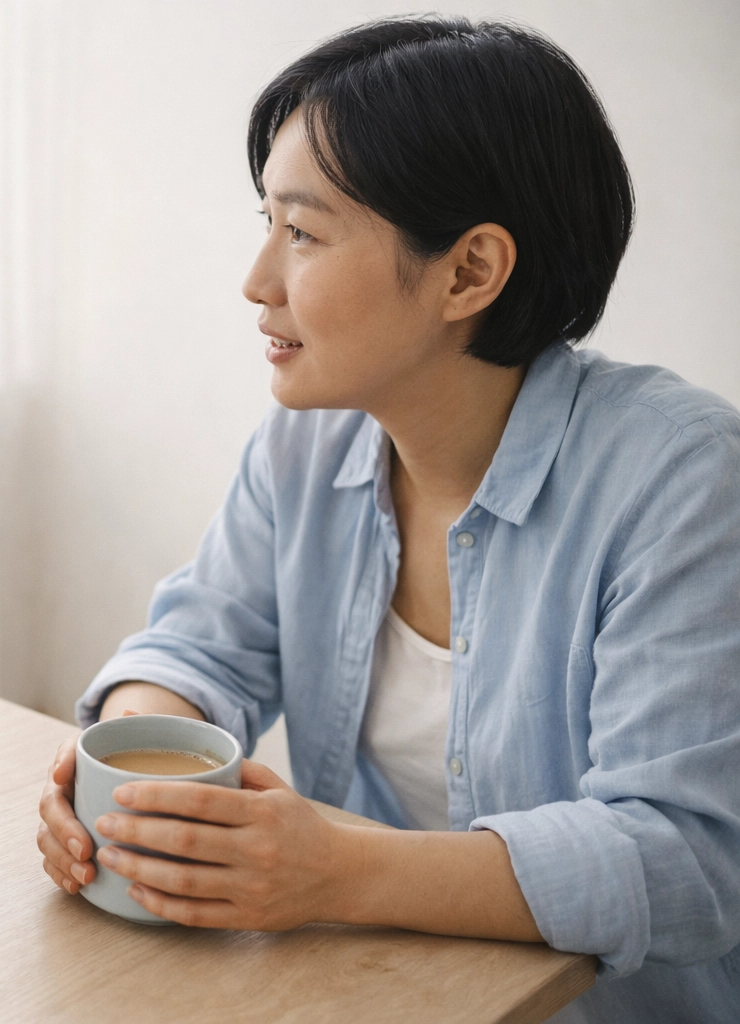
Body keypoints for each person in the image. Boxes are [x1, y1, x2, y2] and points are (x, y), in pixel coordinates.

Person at [36, 17, 738, 1023]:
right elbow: (202, 648)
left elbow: (684, 856)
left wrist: (339, 870)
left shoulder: (683, 479)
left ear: (469, 272)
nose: (256, 281)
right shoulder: (306, 443)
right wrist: (126, 768)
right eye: (267, 222)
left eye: (303, 233)